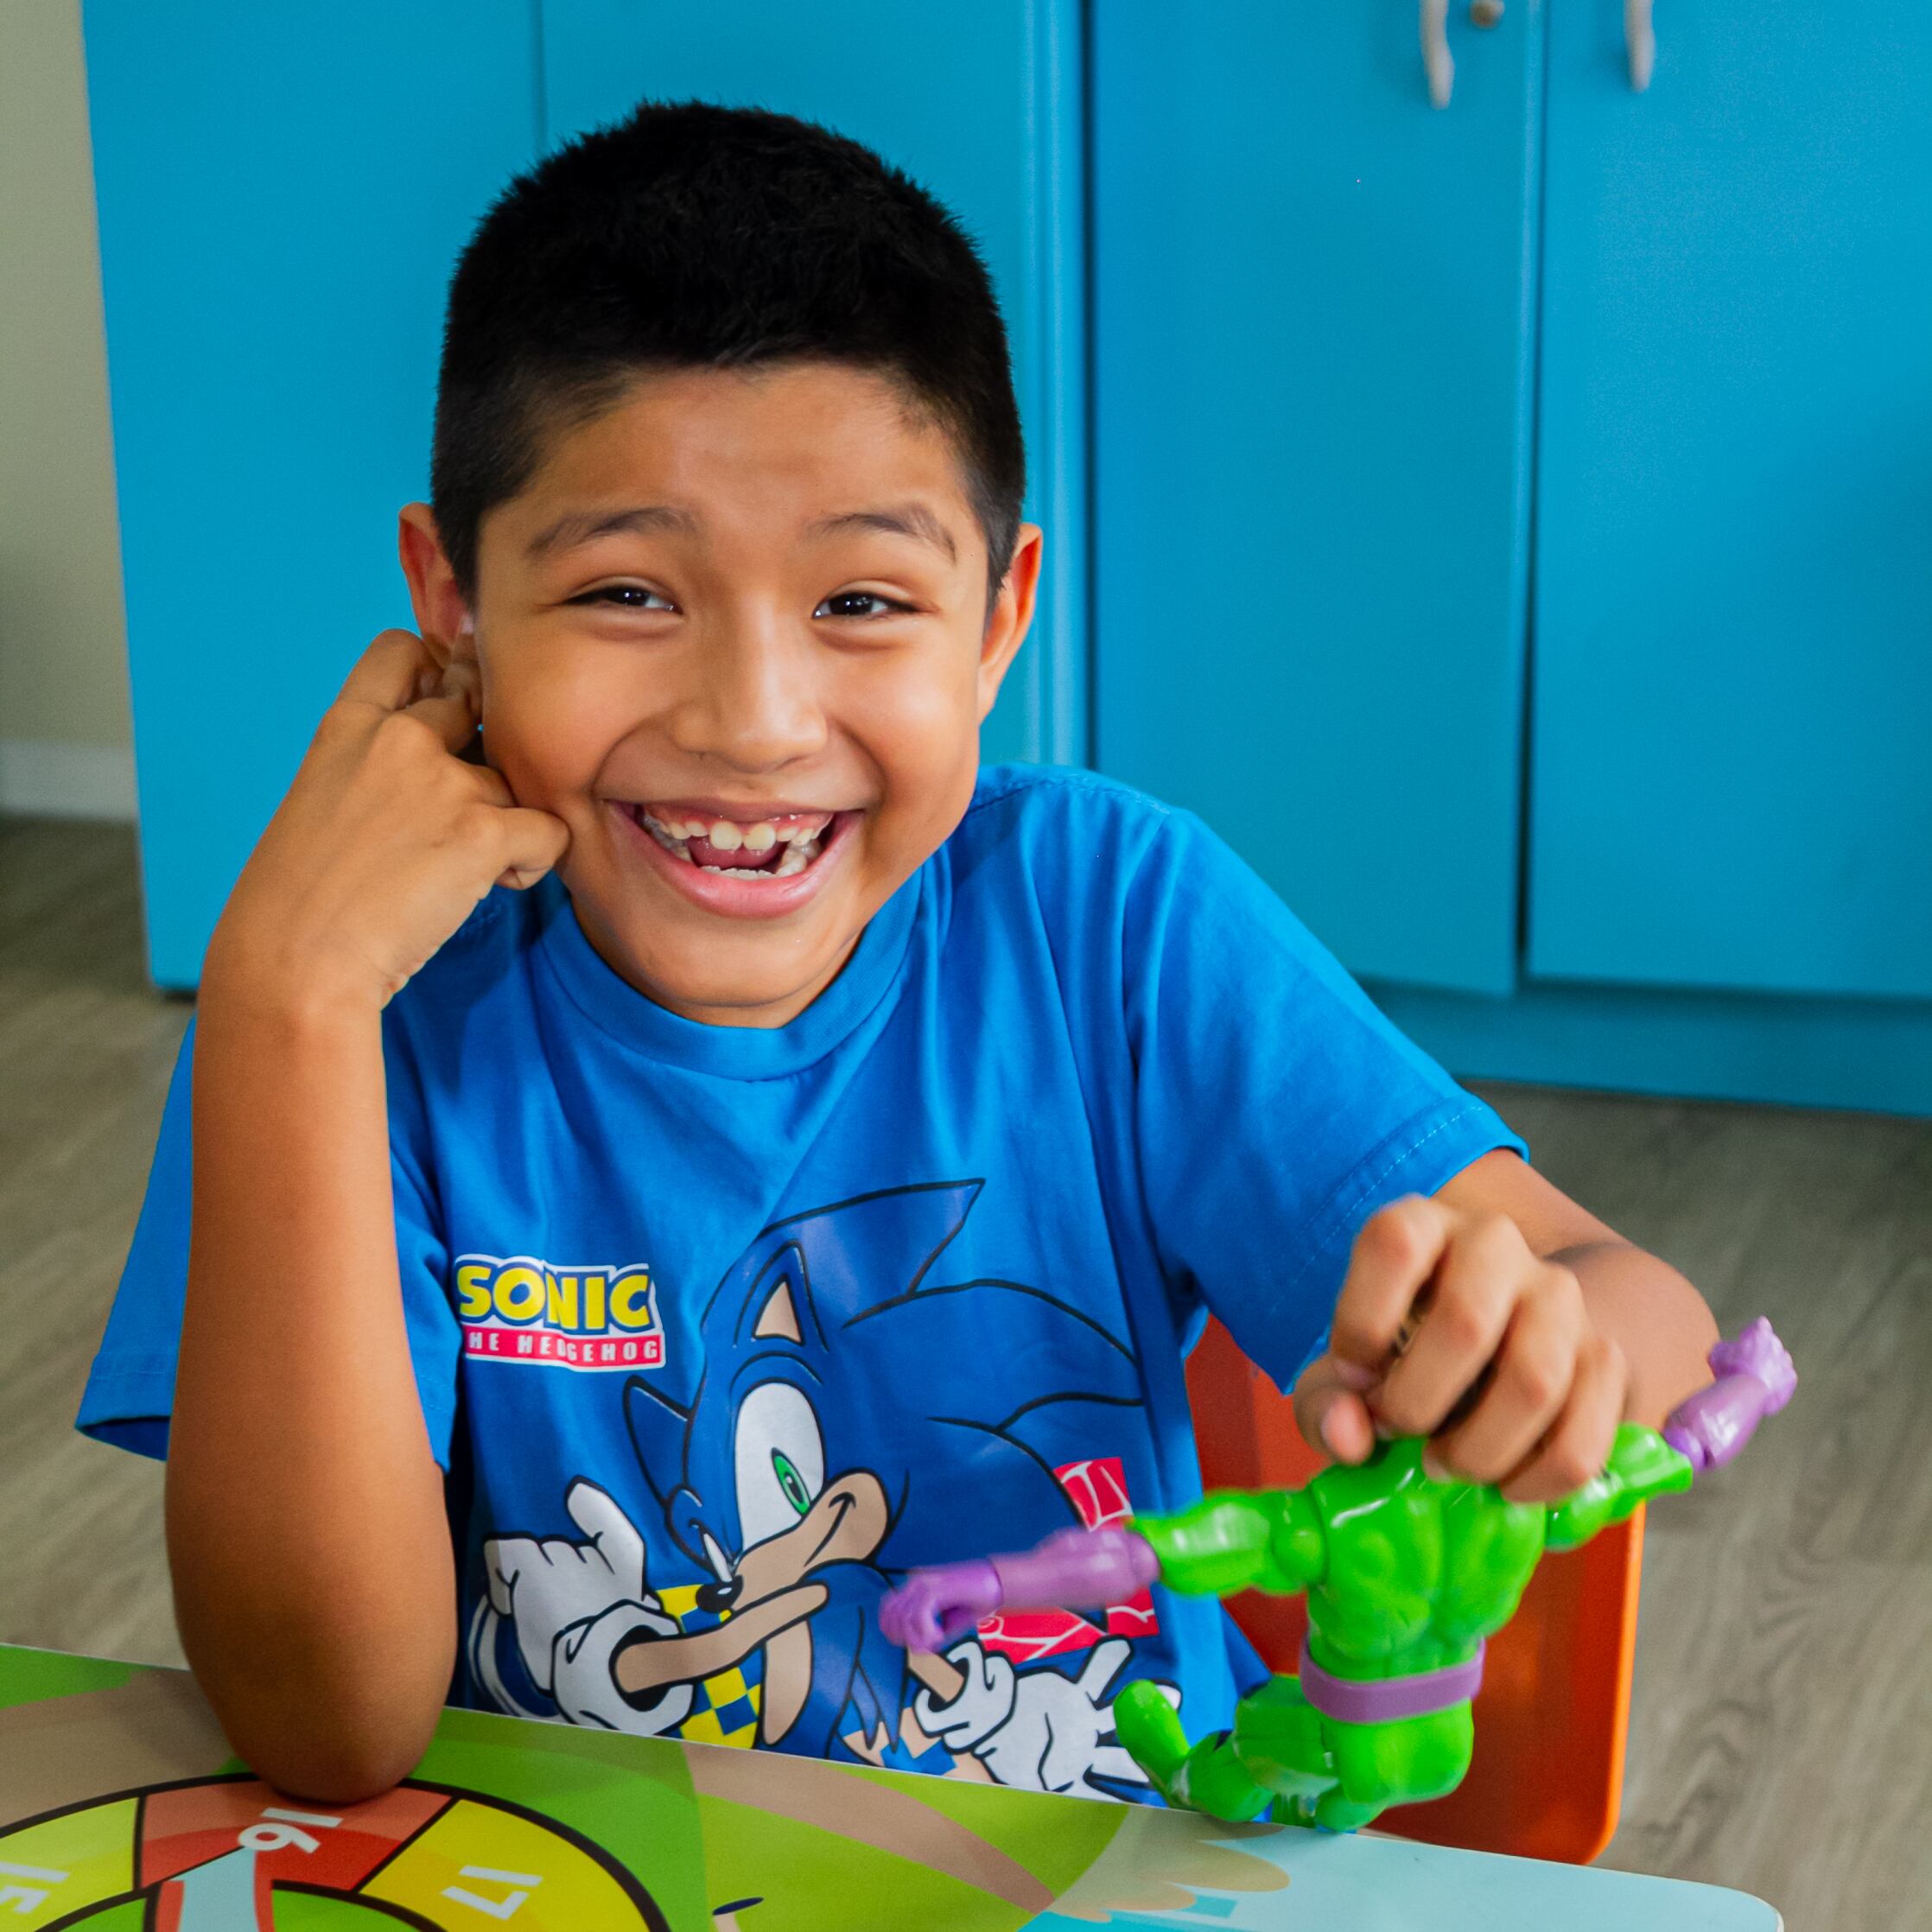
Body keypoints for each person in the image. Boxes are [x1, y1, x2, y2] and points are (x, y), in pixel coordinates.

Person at [78, 100, 1718, 1805]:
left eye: (859, 601)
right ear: (454, 602)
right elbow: (323, 1728)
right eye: (629, 593)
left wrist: (1546, 1352)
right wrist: (282, 1001)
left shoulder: (1109, 918)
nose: (753, 721)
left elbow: (1638, 1306)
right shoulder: (351, 1002)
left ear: (998, 618)